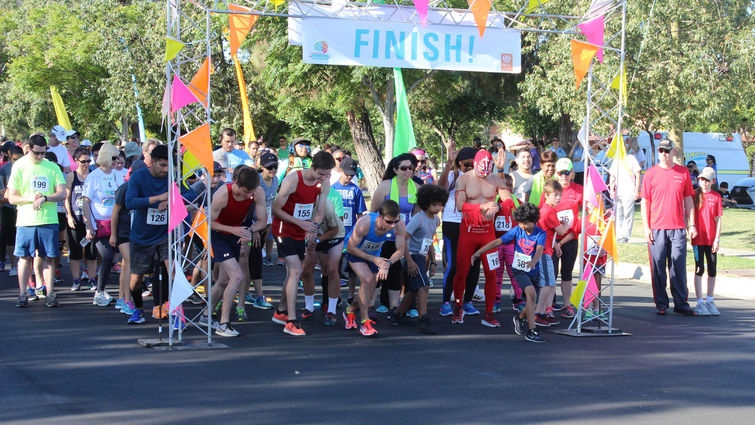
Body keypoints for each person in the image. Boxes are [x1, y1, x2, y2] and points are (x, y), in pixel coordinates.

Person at [271, 150, 334, 336]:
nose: (324, 178)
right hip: (283, 229)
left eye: (328, 174)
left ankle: (280, 311)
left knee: (293, 273)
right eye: (321, 174)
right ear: (312, 167)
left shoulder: (324, 183)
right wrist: (300, 223)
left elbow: (320, 212)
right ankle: (291, 320)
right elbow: (275, 209)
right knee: (296, 271)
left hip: (301, 231)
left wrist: (312, 227)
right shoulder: (293, 180)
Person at [470, 203, 546, 343]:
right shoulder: (517, 230)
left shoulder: (541, 233)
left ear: (534, 221)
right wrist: (478, 253)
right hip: (519, 270)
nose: (523, 226)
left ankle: (520, 318)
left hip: (533, 271)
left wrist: (534, 261)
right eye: (520, 223)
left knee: (532, 302)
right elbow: (498, 241)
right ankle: (532, 330)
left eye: (526, 223)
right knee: (531, 294)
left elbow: (540, 249)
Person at [205, 166, 267, 337]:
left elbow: (262, 220)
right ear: (237, 184)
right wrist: (233, 230)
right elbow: (209, 223)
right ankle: (224, 323)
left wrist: (249, 230)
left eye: (251, 192)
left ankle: (205, 315)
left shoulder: (257, 192)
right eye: (245, 192)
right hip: (219, 234)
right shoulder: (222, 194)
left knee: (224, 280)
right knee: (237, 276)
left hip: (236, 233)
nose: (248, 196)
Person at [451, 150, 510, 326]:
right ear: (475, 165)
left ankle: (489, 313)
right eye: (480, 172)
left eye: (486, 172)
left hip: (488, 233)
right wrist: (482, 206)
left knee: (491, 272)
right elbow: (460, 205)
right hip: (468, 231)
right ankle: (458, 307)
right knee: (462, 271)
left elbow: (509, 202)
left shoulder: (496, 179)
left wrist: (498, 206)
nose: (483, 176)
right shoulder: (464, 179)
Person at [8, 134, 67, 308]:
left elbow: (62, 193)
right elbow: (12, 197)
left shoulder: (52, 167)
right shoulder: (19, 166)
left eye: (43, 153)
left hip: (48, 220)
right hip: (26, 220)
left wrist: (46, 198)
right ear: (29, 150)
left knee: (49, 258)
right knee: (25, 258)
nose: (40, 156)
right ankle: (22, 293)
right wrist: (30, 198)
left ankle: (50, 293)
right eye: (37, 153)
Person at [641, 138, 696, 316]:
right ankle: (661, 304)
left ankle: (681, 303)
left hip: (678, 227)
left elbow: (688, 199)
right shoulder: (650, 174)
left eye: (667, 151)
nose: (664, 154)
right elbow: (645, 202)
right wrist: (646, 227)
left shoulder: (683, 173)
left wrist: (692, 224)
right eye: (661, 151)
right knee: (658, 265)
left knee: (678, 265)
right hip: (657, 227)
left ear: (673, 151)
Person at [344, 201, 406, 337]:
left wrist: (387, 263)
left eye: (396, 221)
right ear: (380, 216)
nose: (393, 225)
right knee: (367, 279)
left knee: (368, 290)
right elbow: (350, 248)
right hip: (356, 252)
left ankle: (350, 310)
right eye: (389, 222)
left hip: (374, 255)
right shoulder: (365, 223)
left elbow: (401, 250)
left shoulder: (399, 225)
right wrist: (374, 260)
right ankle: (365, 322)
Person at [391, 184, 447, 334]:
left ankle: (397, 314)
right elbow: (403, 240)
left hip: (421, 257)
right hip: (411, 256)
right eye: (434, 204)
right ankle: (423, 319)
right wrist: (409, 261)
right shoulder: (418, 219)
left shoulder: (435, 220)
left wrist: (434, 261)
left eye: (440, 204)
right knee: (424, 285)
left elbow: (429, 241)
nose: (438, 208)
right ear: (425, 203)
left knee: (415, 288)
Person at [124, 145, 171, 324]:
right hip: (142, 236)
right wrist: (158, 198)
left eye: (168, 166)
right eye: (162, 165)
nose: (165, 170)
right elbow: (130, 202)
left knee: (173, 271)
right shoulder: (138, 177)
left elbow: (189, 193)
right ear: (151, 162)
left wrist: (171, 200)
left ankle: (170, 308)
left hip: (166, 233)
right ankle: (137, 310)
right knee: (136, 281)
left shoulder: (171, 177)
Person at [370, 153, 421, 313]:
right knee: (379, 271)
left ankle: (401, 306)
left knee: (403, 271)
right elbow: (373, 212)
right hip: (384, 236)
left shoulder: (417, 188)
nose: (407, 171)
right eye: (403, 168)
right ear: (395, 169)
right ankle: (372, 304)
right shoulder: (386, 186)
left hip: (404, 237)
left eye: (410, 168)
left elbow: (417, 216)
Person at [438, 144, 481, 316]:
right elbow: (440, 189)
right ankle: (445, 302)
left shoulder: (482, 177)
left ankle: (468, 301)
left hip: (474, 223)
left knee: (473, 263)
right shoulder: (452, 174)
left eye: (473, 164)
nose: (470, 168)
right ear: (459, 164)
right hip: (453, 222)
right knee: (454, 263)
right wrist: (448, 164)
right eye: (466, 165)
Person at [81, 143, 124, 307]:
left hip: (116, 223)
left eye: (118, 158)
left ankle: (119, 292)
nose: (116, 161)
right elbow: (86, 202)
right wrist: (89, 226)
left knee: (118, 257)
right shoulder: (94, 176)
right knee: (106, 255)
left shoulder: (117, 175)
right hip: (99, 224)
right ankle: (99, 292)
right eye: (113, 157)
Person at [533, 180, 569, 326]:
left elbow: (546, 231)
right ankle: (538, 313)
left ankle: (545, 311)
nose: (559, 198)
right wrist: (566, 223)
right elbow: (560, 231)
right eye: (555, 195)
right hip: (543, 251)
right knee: (547, 284)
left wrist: (555, 244)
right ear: (546, 195)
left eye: (560, 195)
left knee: (550, 283)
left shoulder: (548, 210)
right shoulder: (549, 211)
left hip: (547, 248)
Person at [551, 158, 583, 318]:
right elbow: (544, 214)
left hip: (570, 239)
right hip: (552, 239)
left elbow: (590, 210)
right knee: (551, 274)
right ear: (556, 174)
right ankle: (548, 307)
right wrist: (554, 241)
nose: (564, 176)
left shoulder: (578, 190)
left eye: (567, 172)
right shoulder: (550, 189)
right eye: (560, 173)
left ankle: (567, 305)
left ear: (572, 173)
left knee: (567, 272)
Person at [64, 147, 98, 291]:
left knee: (91, 252)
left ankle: (92, 279)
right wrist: (69, 216)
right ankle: (76, 279)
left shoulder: (93, 174)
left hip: (90, 219)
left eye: (88, 161)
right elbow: (66, 198)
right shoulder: (72, 176)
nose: (86, 164)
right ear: (76, 161)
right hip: (76, 218)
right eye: (83, 161)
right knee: (76, 251)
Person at [691, 167, 722, 316]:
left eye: (707, 180)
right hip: (698, 239)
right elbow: (687, 214)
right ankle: (699, 302)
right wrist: (689, 229)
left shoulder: (716, 197)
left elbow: (718, 219)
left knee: (712, 269)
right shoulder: (694, 195)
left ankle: (710, 300)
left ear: (712, 182)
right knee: (699, 269)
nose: (704, 182)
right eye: (702, 179)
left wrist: (717, 239)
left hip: (711, 239)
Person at [110, 176, 134, 315]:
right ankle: (128, 301)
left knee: (126, 265)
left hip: (136, 231)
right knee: (129, 263)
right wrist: (113, 234)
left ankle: (121, 296)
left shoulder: (143, 187)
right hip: (123, 232)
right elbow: (115, 212)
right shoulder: (124, 188)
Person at [609, 143, 642, 242]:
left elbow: (638, 174)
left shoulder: (631, 158)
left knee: (628, 213)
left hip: (629, 190)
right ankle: (619, 235)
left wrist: (637, 190)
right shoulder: (616, 160)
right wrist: (611, 189)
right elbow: (612, 176)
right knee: (618, 213)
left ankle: (626, 235)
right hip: (619, 191)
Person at [0, 145, 24, 276]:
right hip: (9, 208)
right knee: (9, 237)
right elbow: (2, 192)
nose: (17, 162)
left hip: (24, 207)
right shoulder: (4, 169)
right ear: (10, 157)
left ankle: (24, 263)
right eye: (15, 159)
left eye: (20, 159)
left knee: (22, 236)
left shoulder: (28, 167)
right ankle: (13, 264)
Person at [258, 152, 279, 269]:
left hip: (268, 215)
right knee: (254, 246)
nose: (273, 169)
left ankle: (266, 258)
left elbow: (273, 198)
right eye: (269, 167)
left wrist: (271, 218)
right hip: (255, 218)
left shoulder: (275, 179)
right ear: (262, 167)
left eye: (275, 166)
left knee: (268, 238)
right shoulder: (257, 180)